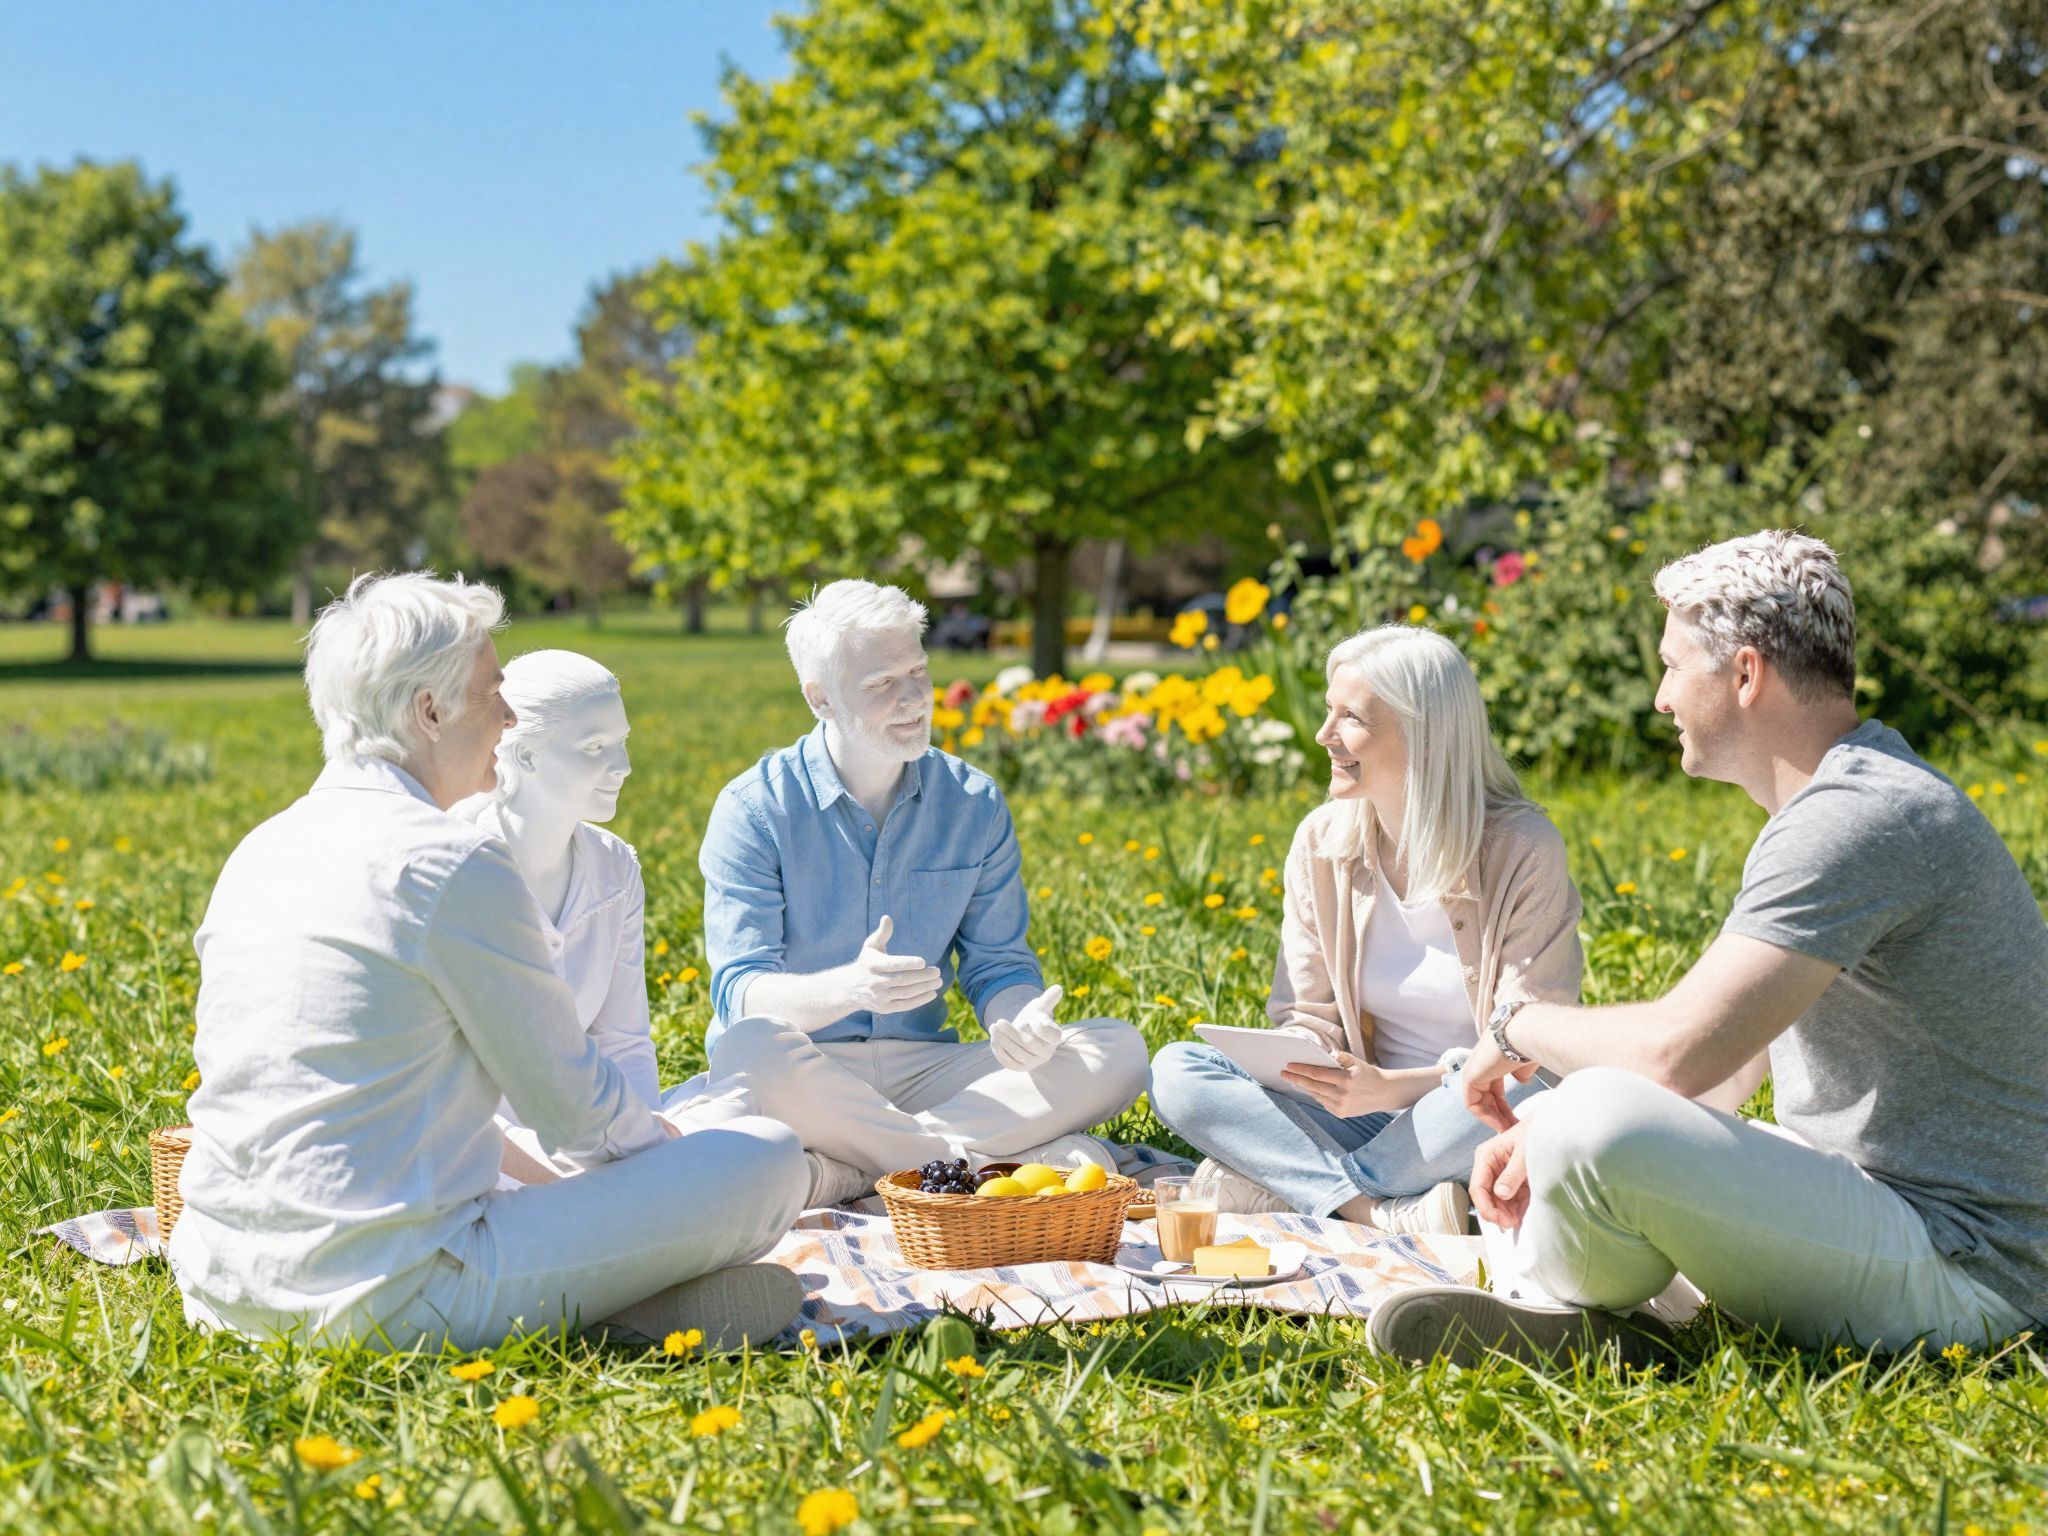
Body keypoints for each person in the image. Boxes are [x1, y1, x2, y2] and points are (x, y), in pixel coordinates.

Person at [1371, 531, 2048, 1364]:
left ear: (1745, 673)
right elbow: (1727, 1065)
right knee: (1563, 1115)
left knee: (1595, 1118)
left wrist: (1515, 1026)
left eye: (1671, 666)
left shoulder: (1855, 819)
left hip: (1971, 1270)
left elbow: (1672, 1057)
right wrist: (1540, 1129)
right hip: (1890, 1207)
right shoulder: (1839, 803)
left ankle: (1559, 1307)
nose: (1660, 698)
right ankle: (1597, 1310)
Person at [169, 573, 808, 1352]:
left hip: (220, 1283)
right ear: (428, 712)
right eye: (492, 693)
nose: (508, 719)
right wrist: (680, 1174)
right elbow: (575, 1112)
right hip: (392, 1295)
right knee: (769, 1159)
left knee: (692, 1165)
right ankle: (624, 1303)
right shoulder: (449, 859)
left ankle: (621, 1304)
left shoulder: (261, 849)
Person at [699, 579, 1149, 1204]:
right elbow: (740, 993)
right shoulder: (754, 809)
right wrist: (849, 987)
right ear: (820, 697)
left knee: (1118, 1051)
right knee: (749, 1052)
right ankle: (977, 1162)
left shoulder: (972, 801)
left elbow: (998, 965)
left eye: (918, 671)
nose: (914, 699)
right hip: (807, 1069)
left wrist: (1017, 1021)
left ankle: (861, 1173)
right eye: (881, 684)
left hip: (926, 1070)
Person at [1147, 625, 1584, 1236]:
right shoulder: (1323, 842)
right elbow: (1307, 1013)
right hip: (1360, 1114)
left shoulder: (1521, 849)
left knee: (1534, 1104)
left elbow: (1527, 1050)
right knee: (1178, 1072)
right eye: (1329, 712)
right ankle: (1375, 1212)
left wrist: (1390, 1089)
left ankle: (1284, 1185)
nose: (1324, 735)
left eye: (1349, 717)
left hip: (1465, 1114)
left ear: (1422, 731)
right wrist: (1312, 1060)